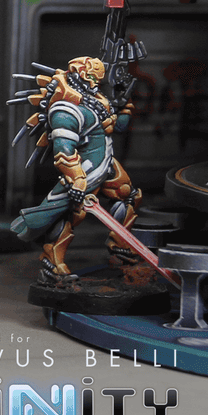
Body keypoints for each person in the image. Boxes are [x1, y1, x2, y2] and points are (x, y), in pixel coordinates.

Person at [11, 56, 141, 280]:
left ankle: (121, 245)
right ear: (81, 75)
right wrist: (77, 179)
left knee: (127, 195)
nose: (96, 82)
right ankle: (52, 260)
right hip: (85, 170)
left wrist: (124, 106)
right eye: (93, 77)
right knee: (73, 213)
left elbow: (116, 126)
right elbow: (64, 150)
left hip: (106, 164)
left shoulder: (97, 100)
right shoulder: (65, 108)